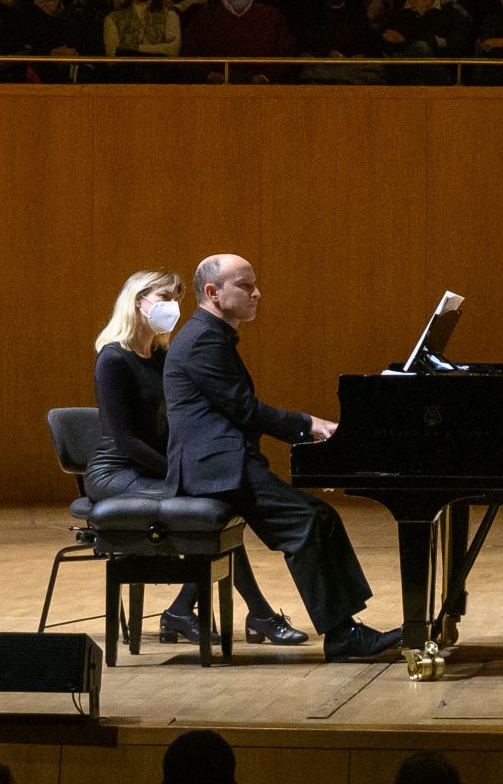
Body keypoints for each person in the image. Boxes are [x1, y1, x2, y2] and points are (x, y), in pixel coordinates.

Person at [164, 254, 398, 659]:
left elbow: (241, 411)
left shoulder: (210, 334)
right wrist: (311, 425)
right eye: (244, 284)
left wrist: (307, 426)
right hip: (214, 470)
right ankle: (343, 637)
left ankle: (346, 631)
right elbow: (245, 409)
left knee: (320, 517)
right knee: (308, 522)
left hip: (223, 463)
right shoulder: (203, 338)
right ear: (213, 293)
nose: (257, 292)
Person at [86, 270, 302, 646]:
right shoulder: (112, 360)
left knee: (215, 500)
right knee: (208, 501)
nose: (173, 307)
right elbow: (124, 441)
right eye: (164, 297)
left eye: (177, 299)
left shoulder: (162, 357)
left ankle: (183, 611)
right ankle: (259, 614)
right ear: (138, 302)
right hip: (117, 472)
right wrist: (180, 472)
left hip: (152, 468)